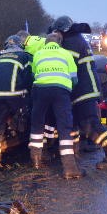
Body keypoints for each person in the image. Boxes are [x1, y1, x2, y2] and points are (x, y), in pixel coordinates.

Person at [50, 16, 107, 170]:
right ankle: (73, 154)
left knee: (90, 125)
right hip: (82, 90)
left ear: (63, 30)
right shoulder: (76, 39)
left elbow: (62, 65)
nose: (55, 35)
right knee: (73, 124)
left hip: (84, 91)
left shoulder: (70, 43)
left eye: (56, 32)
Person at [29, 32, 84, 179]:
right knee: (64, 126)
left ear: (46, 43)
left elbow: (34, 74)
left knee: (37, 124)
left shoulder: (38, 53)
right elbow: (74, 79)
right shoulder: (66, 54)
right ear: (59, 43)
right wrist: (68, 89)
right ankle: (70, 168)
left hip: (40, 90)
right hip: (61, 91)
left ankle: (35, 161)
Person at [0, 35, 34, 153]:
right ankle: (23, 141)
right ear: (20, 45)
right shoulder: (25, 56)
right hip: (15, 95)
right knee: (25, 114)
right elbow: (29, 77)